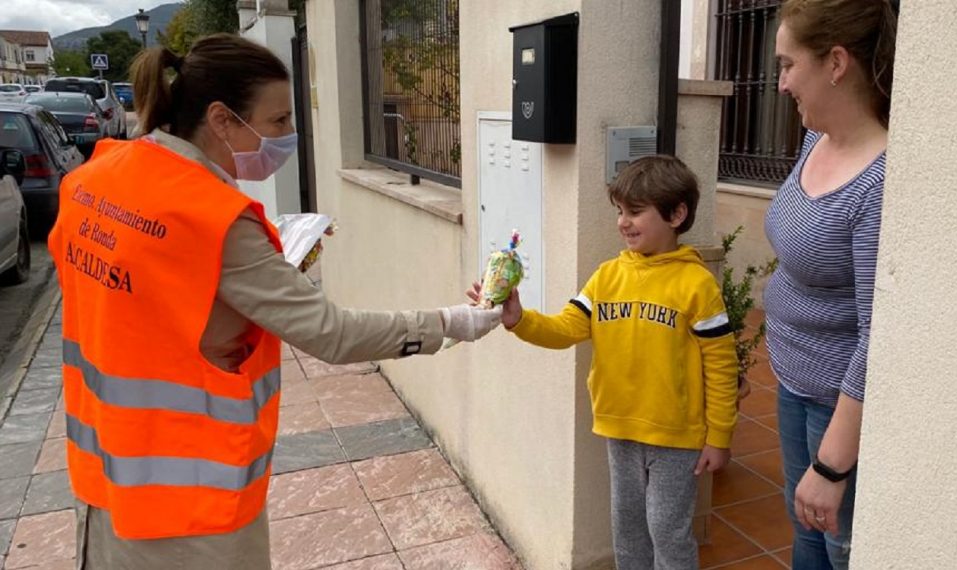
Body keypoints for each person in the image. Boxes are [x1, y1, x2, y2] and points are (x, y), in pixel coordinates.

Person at [46, 34, 502, 570]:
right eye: (279, 120)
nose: (289, 137)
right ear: (222, 120)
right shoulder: (212, 215)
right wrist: (455, 322)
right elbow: (332, 333)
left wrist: (252, 291)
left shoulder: (93, 180)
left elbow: (140, 294)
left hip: (105, 474)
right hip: (188, 502)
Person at [474, 156, 738, 569]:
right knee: (628, 533)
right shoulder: (606, 277)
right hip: (620, 429)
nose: (623, 222)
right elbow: (566, 328)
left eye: (635, 212)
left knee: (668, 534)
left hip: (676, 438)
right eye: (619, 211)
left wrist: (719, 436)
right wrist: (519, 320)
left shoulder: (697, 285)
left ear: (676, 214)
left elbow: (721, 365)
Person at [762, 0, 897, 568]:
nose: (782, 83)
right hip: (792, 380)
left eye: (789, 65)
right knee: (807, 535)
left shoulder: (879, 181)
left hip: (836, 406)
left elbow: (877, 336)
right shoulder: (813, 140)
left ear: (836, 62)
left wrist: (831, 466)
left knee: (838, 547)